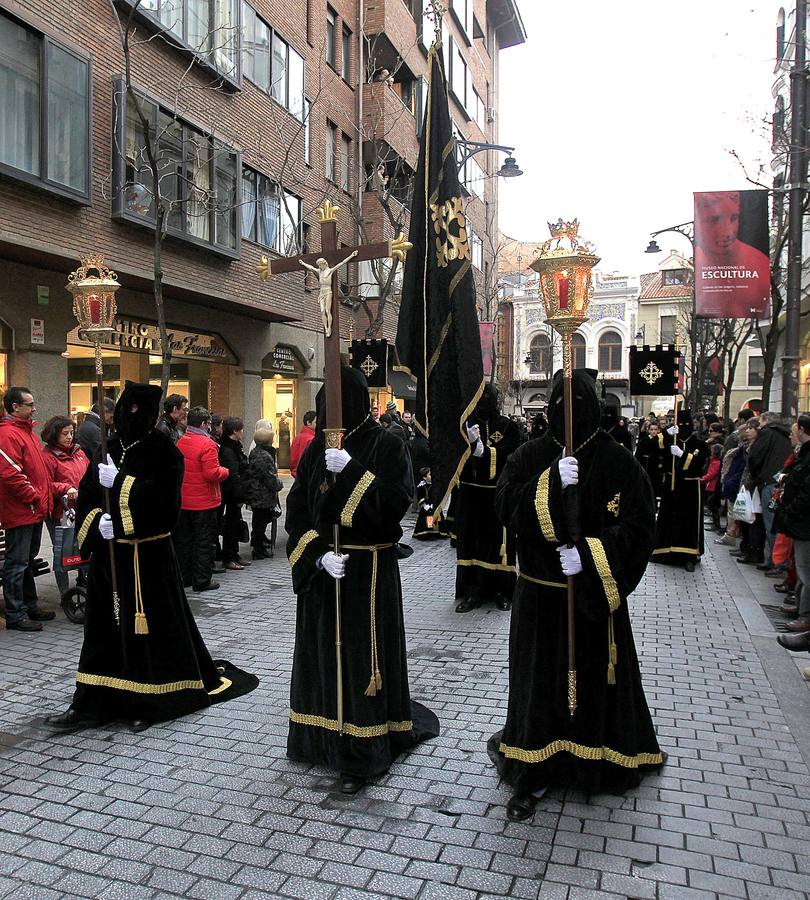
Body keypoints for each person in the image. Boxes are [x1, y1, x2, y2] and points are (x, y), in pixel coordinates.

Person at [488, 369, 663, 821]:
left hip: (591, 605)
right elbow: (505, 506)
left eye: (578, 404)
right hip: (541, 601)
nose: (568, 413)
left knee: (591, 682)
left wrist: (589, 554)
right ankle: (535, 765)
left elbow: (641, 527)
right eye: (561, 404)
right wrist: (549, 481)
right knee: (539, 684)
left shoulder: (619, 461)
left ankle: (594, 756)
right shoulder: (529, 456)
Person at [46, 381, 257, 732]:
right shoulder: (105, 447)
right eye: (124, 409)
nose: (129, 417)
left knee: (149, 631)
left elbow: (167, 506)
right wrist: (100, 522)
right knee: (102, 631)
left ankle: (155, 698)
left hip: (148, 559)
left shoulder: (164, 451)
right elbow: (86, 496)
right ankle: (92, 702)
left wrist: (124, 485)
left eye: (136, 411)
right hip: (109, 559)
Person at [285, 367, 439, 794]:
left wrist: (352, 470)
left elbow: (394, 505)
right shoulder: (317, 449)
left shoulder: (387, 444)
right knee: (322, 654)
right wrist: (316, 554)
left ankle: (361, 750)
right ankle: (320, 738)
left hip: (367, 574)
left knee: (359, 657)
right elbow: (297, 510)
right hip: (325, 574)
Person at [454, 384, 520, 613]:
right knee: (473, 543)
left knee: (497, 544)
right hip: (472, 495)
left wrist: (486, 452)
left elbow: (512, 456)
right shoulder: (466, 426)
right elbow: (454, 459)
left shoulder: (508, 427)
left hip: (497, 495)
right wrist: (466, 445)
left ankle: (502, 591)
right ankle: (473, 591)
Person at [0, 387, 54, 632]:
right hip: (22, 510)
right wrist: (33, 497)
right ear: (14, 407)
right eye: (29, 404)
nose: (34, 408)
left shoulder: (25, 432)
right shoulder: (9, 434)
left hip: (32, 508)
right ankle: (15, 613)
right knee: (18, 562)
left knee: (26, 561)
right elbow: (10, 473)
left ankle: (29, 606)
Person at [175, 407, 229, 593]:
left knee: (185, 541)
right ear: (204, 424)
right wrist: (225, 471)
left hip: (185, 501)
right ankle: (202, 580)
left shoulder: (181, 441)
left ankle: (186, 576)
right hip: (204, 501)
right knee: (204, 542)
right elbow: (211, 473)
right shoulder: (208, 444)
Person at [694, 191, 770, 318]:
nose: (728, 232)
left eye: (734, 218)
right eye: (715, 220)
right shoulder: (698, 260)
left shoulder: (757, 263)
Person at [651, 410, 709, 572]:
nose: (683, 428)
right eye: (680, 425)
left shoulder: (699, 444)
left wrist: (682, 455)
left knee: (688, 520)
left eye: (686, 425)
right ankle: (665, 551)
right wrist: (665, 434)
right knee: (670, 517)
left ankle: (689, 555)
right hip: (672, 485)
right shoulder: (671, 439)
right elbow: (652, 447)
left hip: (690, 487)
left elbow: (699, 463)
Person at [41, 415, 90, 596]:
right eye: (65, 433)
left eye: (72, 432)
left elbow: (89, 474)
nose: (70, 437)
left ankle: (84, 583)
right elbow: (45, 482)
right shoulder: (47, 456)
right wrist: (65, 488)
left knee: (84, 548)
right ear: (55, 435)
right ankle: (64, 592)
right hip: (60, 511)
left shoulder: (79, 453)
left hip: (81, 508)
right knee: (62, 551)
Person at [774, 415, 810, 636]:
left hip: (804, 521)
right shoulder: (803, 454)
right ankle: (800, 605)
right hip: (800, 521)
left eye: (794, 432)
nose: (790, 435)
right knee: (801, 566)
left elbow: (806, 491)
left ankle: (806, 616)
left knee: (806, 570)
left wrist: (792, 509)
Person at [746, 411, 792, 571]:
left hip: (768, 481)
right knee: (773, 523)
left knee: (770, 523)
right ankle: (776, 560)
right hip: (778, 480)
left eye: (759, 422)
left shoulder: (766, 434)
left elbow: (755, 457)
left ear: (765, 421)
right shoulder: (784, 435)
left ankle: (775, 561)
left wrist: (756, 475)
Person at [247, 423, 283, 560]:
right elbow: (269, 477)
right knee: (260, 523)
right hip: (261, 494)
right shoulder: (263, 455)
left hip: (258, 493)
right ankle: (258, 549)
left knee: (259, 522)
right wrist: (278, 485)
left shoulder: (257, 452)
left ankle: (259, 545)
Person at [219, 416, 251, 571]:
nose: (242, 432)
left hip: (236, 491)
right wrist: (239, 495)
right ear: (234, 431)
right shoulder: (227, 449)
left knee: (235, 522)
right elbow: (233, 475)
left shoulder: (235, 445)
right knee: (231, 525)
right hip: (231, 493)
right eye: (240, 429)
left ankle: (234, 554)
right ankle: (228, 557)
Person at [635, 421, 665, 499]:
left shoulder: (661, 441)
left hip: (656, 468)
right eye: (651, 429)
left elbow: (662, 453)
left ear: (658, 430)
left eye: (655, 429)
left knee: (655, 486)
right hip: (646, 466)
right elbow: (638, 454)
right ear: (648, 430)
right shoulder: (644, 441)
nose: (653, 431)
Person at [413, 468, 445, 541]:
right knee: (428, 516)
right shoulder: (421, 486)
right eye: (430, 475)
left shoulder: (435, 485)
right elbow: (420, 496)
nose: (431, 476)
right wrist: (424, 505)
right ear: (424, 477)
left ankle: (437, 531)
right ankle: (429, 532)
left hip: (434, 504)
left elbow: (438, 495)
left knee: (437, 516)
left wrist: (436, 503)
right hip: (426, 505)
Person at [701, 443, 723, 532]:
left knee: (713, 506)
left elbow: (711, 474)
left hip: (713, 486)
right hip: (711, 486)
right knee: (713, 506)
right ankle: (715, 523)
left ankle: (716, 524)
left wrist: (702, 479)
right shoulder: (714, 462)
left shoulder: (715, 463)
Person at [289, 410, 316, 478]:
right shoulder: (311, 439)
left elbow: (293, 460)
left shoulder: (297, 438)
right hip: (308, 475)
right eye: (316, 422)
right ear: (308, 423)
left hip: (298, 475)